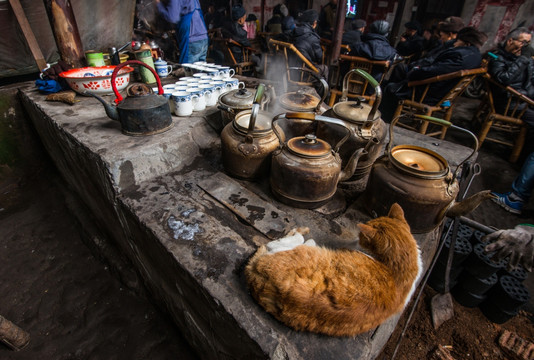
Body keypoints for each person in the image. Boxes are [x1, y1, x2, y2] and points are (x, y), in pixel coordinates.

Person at [379, 26, 487, 122]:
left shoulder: (458, 55)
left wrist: (414, 71)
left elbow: (433, 71)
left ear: (466, 43)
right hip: (443, 91)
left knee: (389, 87)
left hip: (431, 93)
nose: (455, 43)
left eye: (458, 40)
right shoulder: (475, 55)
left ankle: (385, 120)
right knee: (399, 73)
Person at [487, 27, 534, 128]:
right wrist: (523, 59)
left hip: (526, 101)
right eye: (523, 43)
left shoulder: (525, 59)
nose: (525, 47)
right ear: (510, 41)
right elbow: (504, 79)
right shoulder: (497, 58)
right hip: (511, 103)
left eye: (528, 44)